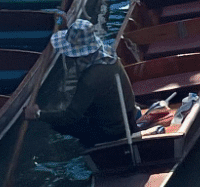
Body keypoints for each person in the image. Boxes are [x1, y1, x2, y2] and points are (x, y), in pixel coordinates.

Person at [24, 19, 138, 147]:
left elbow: (70, 116)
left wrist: (38, 114)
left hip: (112, 131)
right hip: (128, 117)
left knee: (59, 125)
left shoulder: (91, 78)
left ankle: (90, 143)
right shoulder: (106, 55)